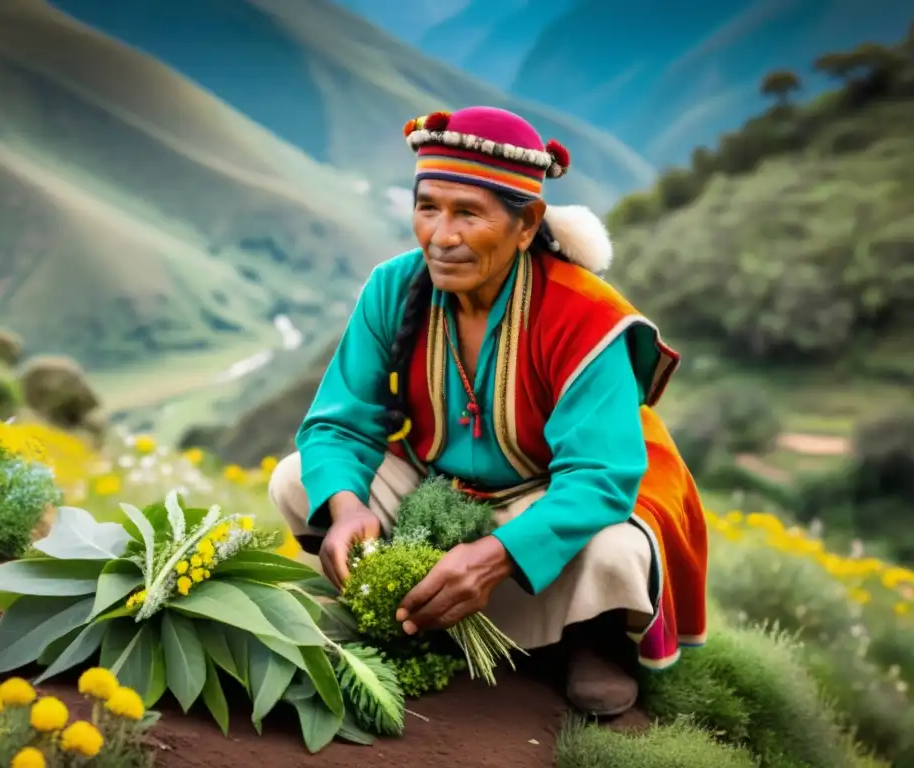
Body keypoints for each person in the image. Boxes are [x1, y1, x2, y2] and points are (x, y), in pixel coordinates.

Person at [268, 106, 708, 717]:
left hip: (544, 496)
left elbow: (599, 477)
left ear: (526, 225)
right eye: (428, 208)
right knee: (298, 479)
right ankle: (401, 601)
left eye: (468, 213)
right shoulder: (393, 288)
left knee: (617, 548)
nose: (441, 235)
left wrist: (493, 556)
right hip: (438, 488)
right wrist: (345, 511)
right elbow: (339, 423)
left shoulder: (586, 317)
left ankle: (589, 638)